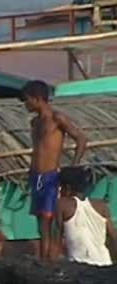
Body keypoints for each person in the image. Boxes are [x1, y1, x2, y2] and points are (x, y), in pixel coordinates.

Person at [20, 80, 87, 260]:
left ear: (38, 98)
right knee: (40, 223)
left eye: (27, 100)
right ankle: (44, 261)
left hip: (51, 176)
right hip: (36, 176)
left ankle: (49, 262)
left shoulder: (58, 118)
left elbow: (81, 139)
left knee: (51, 222)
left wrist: (73, 164)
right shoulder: (35, 122)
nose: (25, 104)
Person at [52, 167, 115, 266]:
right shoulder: (101, 205)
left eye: (60, 187)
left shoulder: (62, 205)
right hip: (104, 262)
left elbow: (57, 240)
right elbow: (113, 236)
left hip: (79, 266)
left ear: (67, 188)